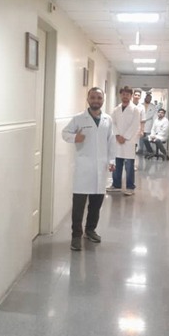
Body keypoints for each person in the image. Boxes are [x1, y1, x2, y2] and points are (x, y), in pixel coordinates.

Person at [62, 87, 116, 251]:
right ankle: (76, 236)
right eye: (93, 97)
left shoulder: (107, 119)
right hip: (83, 168)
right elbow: (65, 133)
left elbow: (111, 141)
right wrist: (75, 137)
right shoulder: (79, 118)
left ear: (103, 100)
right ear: (88, 99)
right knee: (78, 205)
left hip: (101, 167)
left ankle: (90, 230)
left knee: (96, 203)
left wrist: (112, 160)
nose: (96, 101)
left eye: (99, 98)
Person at [107, 86, 142, 195]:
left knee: (129, 166)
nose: (125, 96)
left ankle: (130, 187)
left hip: (129, 141)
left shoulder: (135, 110)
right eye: (123, 94)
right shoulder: (116, 109)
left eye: (127, 94)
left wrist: (125, 137)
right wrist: (117, 135)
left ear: (131, 96)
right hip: (117, 140)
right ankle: (116, 185)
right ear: (120, 95)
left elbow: (135, 125)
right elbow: (113, 123)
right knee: (117, 164)